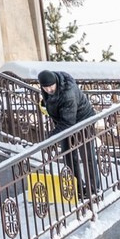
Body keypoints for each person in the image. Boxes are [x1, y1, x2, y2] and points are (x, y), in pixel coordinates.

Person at [37, 68, 101, 198]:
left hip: (83, 122)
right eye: (45, 88)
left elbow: (67, 123)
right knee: (69, 156)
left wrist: (50, 139)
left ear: (56, 82)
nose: (49, 90)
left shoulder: (68, 93)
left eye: (51, 86)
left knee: (87, 155)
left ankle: (93, 190)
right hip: (65, 124)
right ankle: (78, 188)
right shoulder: (50, 89)